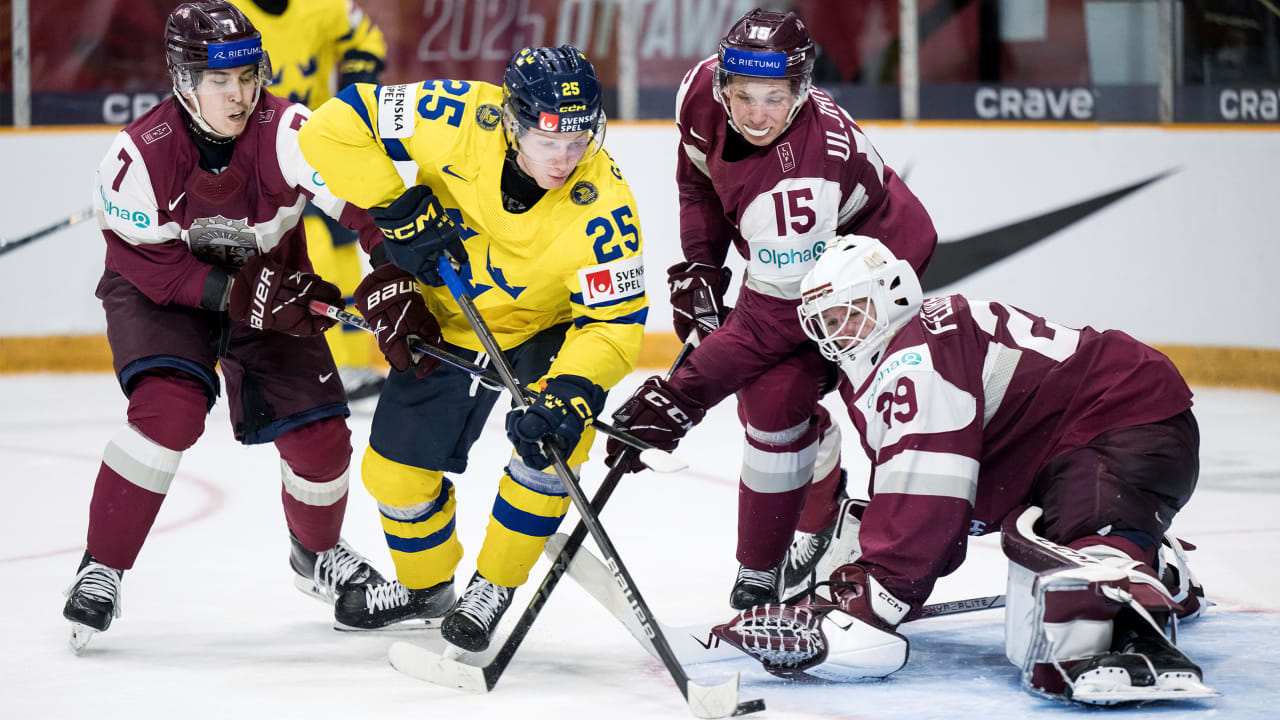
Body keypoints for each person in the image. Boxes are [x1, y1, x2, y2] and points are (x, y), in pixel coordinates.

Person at [711, 235, 1212, 703]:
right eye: (828, 322)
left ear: (894, 293)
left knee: (1085, 555)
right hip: (1061, 442)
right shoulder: (901, 348)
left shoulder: (914, 358)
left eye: (852, 314)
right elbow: (923, 495)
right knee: (1041, 546)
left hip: (1119, 417)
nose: (841, 333)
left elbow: (927, 494)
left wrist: (872, 598)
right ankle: (1152, 559)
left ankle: (1138, 636)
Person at [297, 45, 647, 651]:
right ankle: (427, 589)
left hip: (548, 330)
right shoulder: (454, 114)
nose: (565, 158)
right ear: (512, 120)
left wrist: (571, 392)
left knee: (553, 447)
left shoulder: (606, 206)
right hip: (450, 319)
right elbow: (331, 128)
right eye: (547, 139)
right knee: (396, 472)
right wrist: (396, 205)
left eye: (579, 140)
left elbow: (613, 324)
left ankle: (494, 586)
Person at [63, 1, 388, 653]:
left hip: (270, 279)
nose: (240, 95)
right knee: (168, 412)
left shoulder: (292, 128)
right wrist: (232, 294)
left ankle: (317, 555)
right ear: (185, 83)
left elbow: (362, 202)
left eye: (248, 76)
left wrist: (395, 265)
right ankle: (102, 566)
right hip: (164, 293)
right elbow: (150, 266)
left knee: (322, 436)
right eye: (221, 82)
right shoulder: (139, 156)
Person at [603, 8, 937, 609]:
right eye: (744, 96)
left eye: (775, 98)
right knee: (772, 398)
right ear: (721, 84)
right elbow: (697, 181)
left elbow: (773, 319)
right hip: (794, 261)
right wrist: (703, 263)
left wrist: (680, 397)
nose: (756, 114)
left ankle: (780, 556)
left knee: (778, 398)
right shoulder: (700, 93)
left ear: (802, 93)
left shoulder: (800, 180)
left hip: (872, 265)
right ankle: (805, 506)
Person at [230, 0, 389, 400]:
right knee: (309, 250)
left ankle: (349, 364)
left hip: (316, 147)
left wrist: (358, 72)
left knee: (342, 256)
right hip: (257, 156)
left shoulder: (324, 5)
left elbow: (367, 36)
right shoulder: (230, 15)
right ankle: (306, 363)